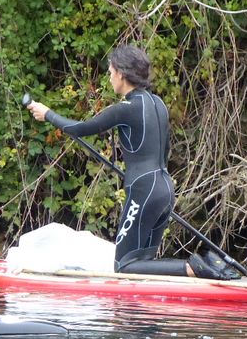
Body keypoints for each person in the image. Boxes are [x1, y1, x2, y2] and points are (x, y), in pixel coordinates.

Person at [25, 44, 236, 279]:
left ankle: (191, 268)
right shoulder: (159, 104)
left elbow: (80, 129)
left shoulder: (126, 109)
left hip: (143, 190)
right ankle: (206, 265)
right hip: (165, 188)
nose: (109, 77)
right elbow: (165, 150)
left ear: (121, 73)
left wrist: (48, 114)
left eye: (110, 72)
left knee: (124, 265)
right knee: (143, 263)